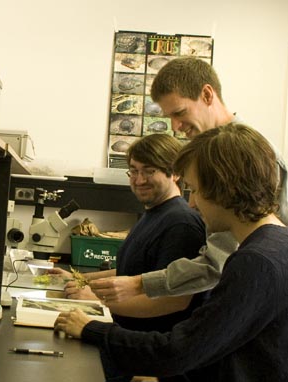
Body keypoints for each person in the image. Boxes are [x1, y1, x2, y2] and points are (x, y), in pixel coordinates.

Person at [54, 123, 288, 381]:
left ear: (225, 188)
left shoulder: (256, 261)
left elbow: (178, 351)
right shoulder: (287, 243)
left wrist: (92, 329)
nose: (193, 203)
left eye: (196, 190)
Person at [89, 57, 288, 303]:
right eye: (169, 117)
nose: (176, 126)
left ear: (206, 94)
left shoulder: (243, 152)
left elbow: (218, 263)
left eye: (180, 113)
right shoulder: (212, 150)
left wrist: (140, 284)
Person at [51, 133, 207, 381]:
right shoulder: (153, 213)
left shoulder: (181, 224)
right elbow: (133, 272)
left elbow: (173, 300)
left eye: (149, 171)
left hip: (145, 360)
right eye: (133, 171)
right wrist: (82, 279)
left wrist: (98, 301)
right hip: (124, 345)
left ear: (175, 172)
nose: (139, 180)